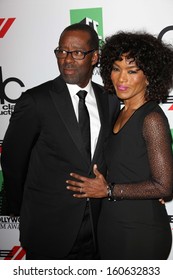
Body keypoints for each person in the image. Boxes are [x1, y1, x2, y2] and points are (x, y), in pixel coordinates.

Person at [1, 23, 119, 260]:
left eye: (77, 53)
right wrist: (18, 207)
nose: (67, 60)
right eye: (61, 51)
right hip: (49, 229)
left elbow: (113, 155)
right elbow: (13, 161)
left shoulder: (110, 100)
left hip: (98, 230)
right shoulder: (35, 101)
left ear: (94, 57)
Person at [66, 31, 173, 260]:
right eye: (116, 68)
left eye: (132, 71)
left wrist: (109, 190)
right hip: (110, 226)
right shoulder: (117, 112)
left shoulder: (151, 119)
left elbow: (164, 186)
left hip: (141, 231)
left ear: (149, 76)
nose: (121, 79)